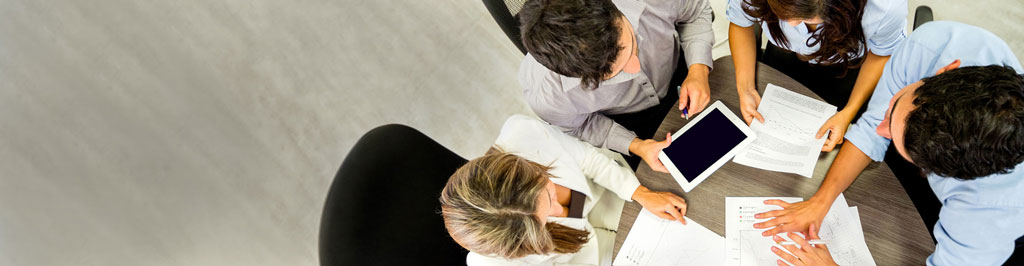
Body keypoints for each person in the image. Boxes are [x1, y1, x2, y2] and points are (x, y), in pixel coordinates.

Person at [754, 21, 1024, 265]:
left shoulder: (987, 213)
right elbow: (872, 127)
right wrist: (820, 201)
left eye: (894, 136)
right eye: (894, 106)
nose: (881, 128)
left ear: (934, 171)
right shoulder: (933, 44)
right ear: (945, 71)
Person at [440, 115, 689, 266]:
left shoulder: (523, 133)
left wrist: (640, 193)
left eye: (548, 195)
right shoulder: (490, 261)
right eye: (544, 219)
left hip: (608, 197)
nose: (560, 211)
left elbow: (589, 160)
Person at [517, 0, 714, 172]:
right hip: (632, 122)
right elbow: (581, 126)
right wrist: (636, 145)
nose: (635, 67)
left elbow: (695, 12)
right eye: (614, 73)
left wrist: (698, 69)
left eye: (630, 44)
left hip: (684, 66)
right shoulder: (548, 95)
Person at [727, 0, 907, 152]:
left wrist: (848, 113)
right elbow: (741, 22)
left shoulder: (885, 6)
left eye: (806, 17)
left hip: (847, 66)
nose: (792, 24)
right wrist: (746, 88)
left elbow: (882, 53)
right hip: (784, 54)